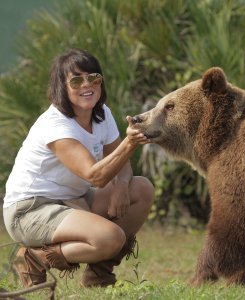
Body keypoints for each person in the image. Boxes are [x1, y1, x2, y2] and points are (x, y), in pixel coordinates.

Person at [2, 48, 154, 288]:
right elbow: (95, 176)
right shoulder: (55, 125)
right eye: (76, 79)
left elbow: (120, 164)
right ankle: (35, 259)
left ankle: (98, 276)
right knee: (110, 237)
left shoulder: (101, 114)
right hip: (29, 209)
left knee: (142, 188)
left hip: (73, 199)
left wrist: (122, 185)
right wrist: (130, 142)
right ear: (61, 87)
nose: (87, 84)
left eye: (94, 77)